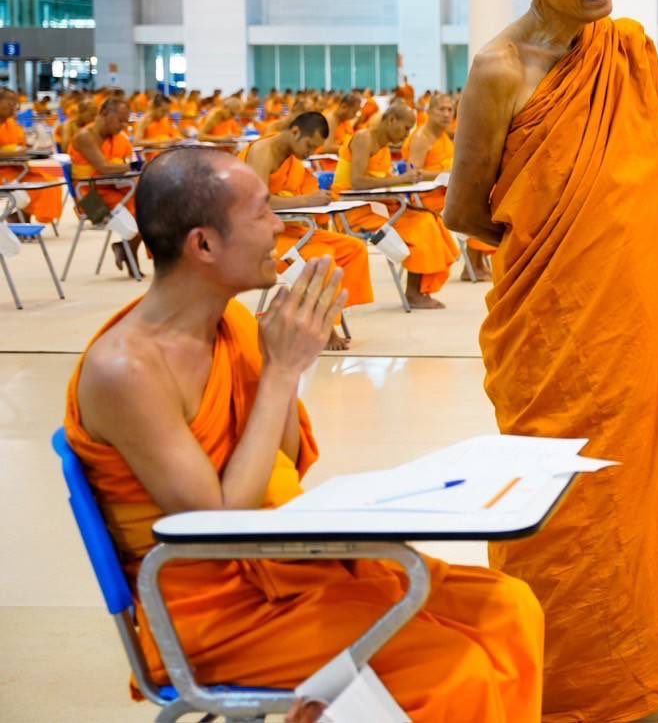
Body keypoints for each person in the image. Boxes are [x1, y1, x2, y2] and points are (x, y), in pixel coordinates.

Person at [65, 147, 544, 720]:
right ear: (204, 245)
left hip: (290, 561)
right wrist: (283, 372)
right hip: (218, 611)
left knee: (510, 607)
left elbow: (283, 464)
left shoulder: (235, 324)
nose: (281, 227)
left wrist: (280, 364)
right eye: (263, 212)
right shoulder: (126, 370)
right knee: (451, 668)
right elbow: (217, 528)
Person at [443, 0, 658, 722]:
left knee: (635, 490)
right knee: (556, 500)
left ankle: (635, 671)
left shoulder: (627, 51)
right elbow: (467, 207)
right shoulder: (500, 68)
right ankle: (559, 676)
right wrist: (556, 253)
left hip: (634, 315)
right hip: (552, 323)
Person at [243, 111, 374, 349]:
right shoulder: (263, 151)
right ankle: (322, 326)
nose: (310, 153)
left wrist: (320, 199)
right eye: (309, 145)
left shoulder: (292, 160)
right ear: (294, 132)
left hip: (291, 228)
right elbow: (258, 201)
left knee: (354, 248)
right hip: (262, 235)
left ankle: (316, 314)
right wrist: (306, 201)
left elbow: (304, 193)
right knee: (322, 258)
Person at [332, 103, 457, 310]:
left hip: (377, 206)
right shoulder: (364, 138)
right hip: (353, 211)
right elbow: (358, 182)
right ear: (391, 121)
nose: (407, 134)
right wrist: (400, 179)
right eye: (406, 128)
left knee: (429, 218)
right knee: (422, 225)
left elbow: (382, 180)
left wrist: (404, 181)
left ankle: (420, 290)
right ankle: (414, 293)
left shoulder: (383, 148)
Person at [405, 93, 494, 282]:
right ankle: (473, 266)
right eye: (441, 109)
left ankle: (477, 264)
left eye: (450, 110)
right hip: (427, 196)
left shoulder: (444, 136)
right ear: (429, 112)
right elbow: (414, 173)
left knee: (486, 198)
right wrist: (449, 173)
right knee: (474, 207)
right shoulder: (422, 138)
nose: (446, 114)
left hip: (447, 192)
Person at [69, 97, 142, 271]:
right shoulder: (84, 136)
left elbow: (124, 161)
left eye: (126, 121)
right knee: (137, 214)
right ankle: (127, 250)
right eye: (120, 120)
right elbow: (105, 167)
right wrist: (137, 166)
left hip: (112, 188)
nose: (123, 125)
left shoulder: (119, 138)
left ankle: (126, 249)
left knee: (150, 208)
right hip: (89, 200)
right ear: (104, 113)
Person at [0, 87, 66, 225]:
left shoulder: (11, 123)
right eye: (10, 102)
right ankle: (18, 218)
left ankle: (23, 217)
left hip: (17, 168)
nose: (14, 106)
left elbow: (21, 146)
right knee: (33, 187)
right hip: (3, 172)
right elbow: (15, 151)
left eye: (15, 102)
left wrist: (28, 152)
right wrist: (15, 153)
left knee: (51, 183)